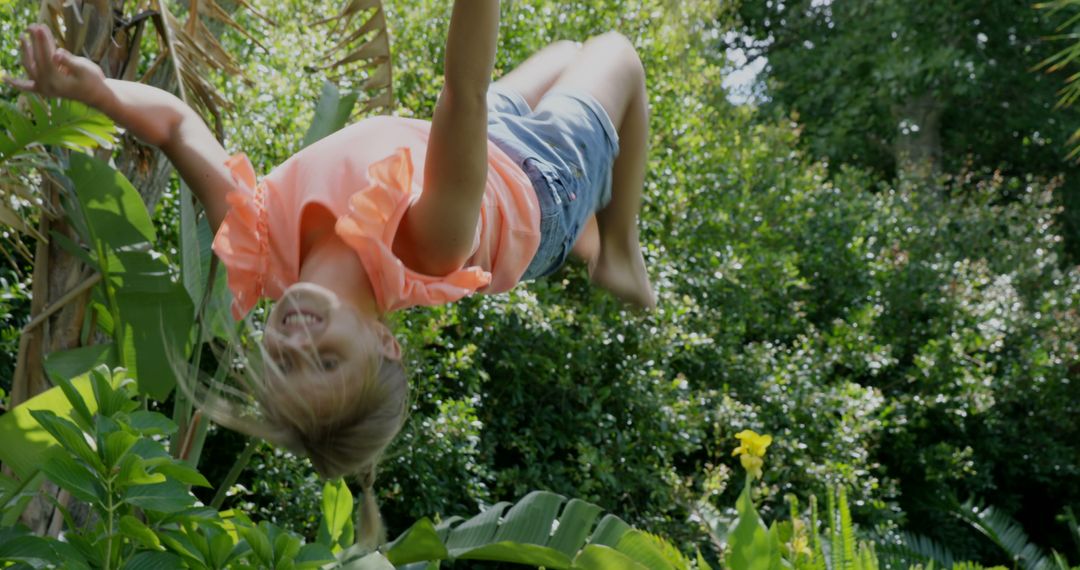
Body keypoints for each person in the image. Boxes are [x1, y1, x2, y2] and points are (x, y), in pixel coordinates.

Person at [7, 0, 654, 545]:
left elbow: (176, 128)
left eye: (285, 365)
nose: (296, 344)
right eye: (326, 363)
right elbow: (464, 93)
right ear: (383, 342)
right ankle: (616, 249)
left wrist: (97, 92)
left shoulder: (260, 245)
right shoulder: (425, 246)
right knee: (615, 51)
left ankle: (589, 246)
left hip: (485, 145)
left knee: (567, 49)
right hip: (545, 184)